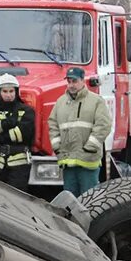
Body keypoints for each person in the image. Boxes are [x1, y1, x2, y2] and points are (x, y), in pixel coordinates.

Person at [47, 66, 111, 197]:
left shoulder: (96, 101)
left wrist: (90, 147)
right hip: (68, 162)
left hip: (87, 162)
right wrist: (57, 147)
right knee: (69, 202)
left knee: (89, 201)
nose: (71, 85)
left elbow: (103, 125)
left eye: (74, 81)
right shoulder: (60, 102)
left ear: (83, 80)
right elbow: (52, 124)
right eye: (69, 81)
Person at [0, 74, 35, 192]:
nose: (8, 95)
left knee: (18, 198)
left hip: (19, 163)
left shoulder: (26, 111)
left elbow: (24, 133)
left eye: (11, 91)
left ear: (17, 92)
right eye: (5, 91)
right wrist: (10, 123)